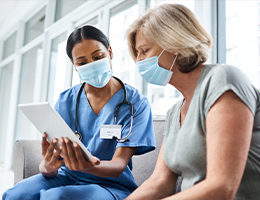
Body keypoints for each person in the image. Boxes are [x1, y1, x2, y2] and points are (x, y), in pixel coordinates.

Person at [3, 25, 155, 200]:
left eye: (98, 57)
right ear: (74, 65)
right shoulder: (66, 100)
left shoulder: (136, 103)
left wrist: (85, 166)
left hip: (110, 184)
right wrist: (47, 166)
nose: (92, 65)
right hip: (66, 176)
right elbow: (52, 165)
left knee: (56, 197)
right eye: (82, 62)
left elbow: (119, 165)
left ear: (110, 52)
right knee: (15, 194)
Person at [125, 3, 260, 200]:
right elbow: (159, 182)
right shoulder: (174, 113)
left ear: (174, 44)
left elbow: (222, 187)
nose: (138, 61)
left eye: (144, 50)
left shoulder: (223, 79)